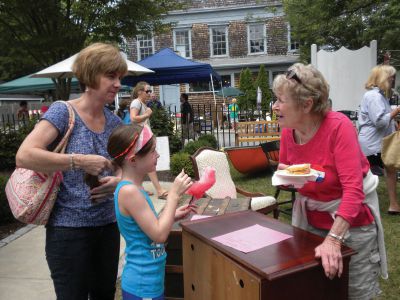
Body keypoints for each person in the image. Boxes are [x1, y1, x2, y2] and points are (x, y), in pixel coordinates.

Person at [15, 42, 128, 300]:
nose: (118, 84)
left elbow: (126, 167)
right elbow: (24, 155)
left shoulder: (115, 123)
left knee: (104, 295)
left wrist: (118, 181)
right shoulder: (63, 112)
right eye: (111, 76)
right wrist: (78, 161)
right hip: (68, 232)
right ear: (90, 75)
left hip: (108, 228)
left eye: (120, 77)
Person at [272, 63, 386, 299]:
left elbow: (354, 191)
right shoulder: (287, 131)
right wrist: (288, 176)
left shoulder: (338, 126)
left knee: (354, 292)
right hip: (311, 224)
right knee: (316, 290)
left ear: (306, 104)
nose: (275, 106)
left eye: (281, 100)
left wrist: (333, 240)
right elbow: (293, 178)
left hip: (352, 227)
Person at [108, 124, 195, 300]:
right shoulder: (129, 191)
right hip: (141, 285)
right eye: (153, 151)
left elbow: (147, 227)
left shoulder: (136, 189)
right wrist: (173, 196)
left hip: (150, 282)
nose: (158, 155)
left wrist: (171, 214)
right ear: (133, 160)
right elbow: (159, 235)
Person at [358, 65, 400, 214]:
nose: (393, 79)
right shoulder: (374, 97)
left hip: (375, 143)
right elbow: (380, 122)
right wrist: (396, 111)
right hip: (373, 144)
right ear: (383, 78)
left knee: (389, 170)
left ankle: (393, 205)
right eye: (391, 77)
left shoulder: (378, 95)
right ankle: (391, 205)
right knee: (387, 170)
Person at [130, 81, 169, 199]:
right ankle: (159, 190)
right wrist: (147, 114)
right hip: (141, 139)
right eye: (147, 91)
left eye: (150, 91)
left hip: (144, 138)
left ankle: (140, 189)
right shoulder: (136, 103)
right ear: (139, 92)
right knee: (149, 162)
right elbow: (133, 118)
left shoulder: (142, 103)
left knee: (141, 164)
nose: (149, 93)